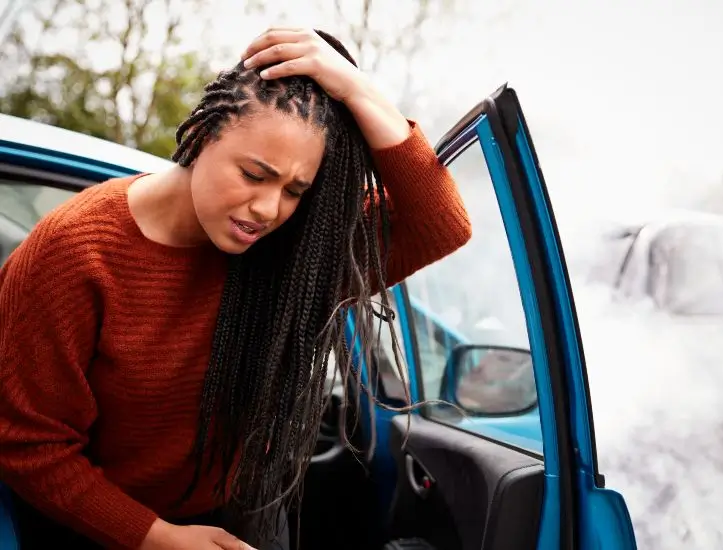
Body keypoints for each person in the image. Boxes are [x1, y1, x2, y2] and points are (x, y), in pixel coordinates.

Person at [0, 28, 471, 550]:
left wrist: (357, 90)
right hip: (103, 526)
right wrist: (158, 538)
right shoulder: (74, 252)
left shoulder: (288, 252)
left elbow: (440, 223)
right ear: (202, 137)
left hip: (244, 510)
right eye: (253, 174)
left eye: (295, 190)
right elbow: (28, 444)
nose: (269, 209)